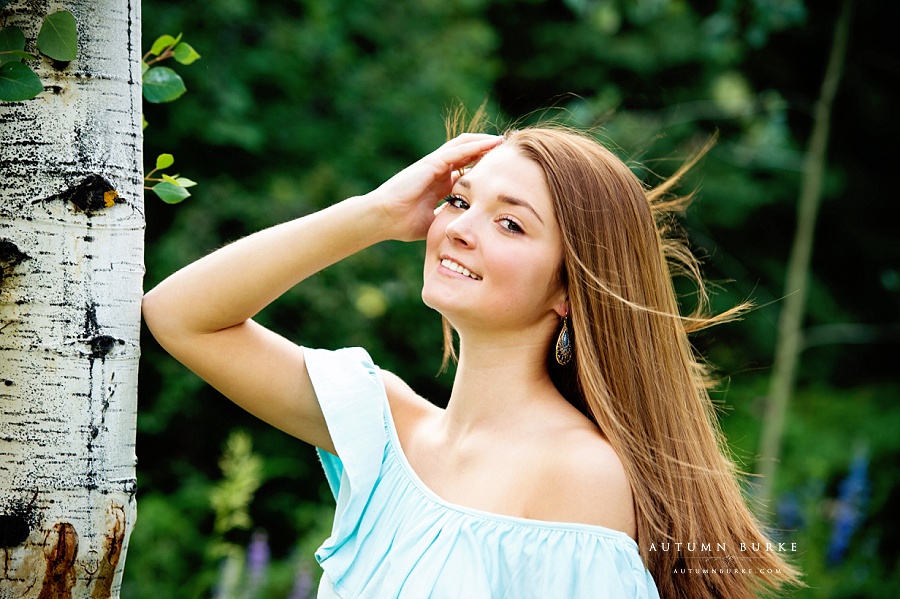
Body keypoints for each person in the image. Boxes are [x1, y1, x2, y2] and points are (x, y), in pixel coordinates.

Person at [142, 125, 801, 598]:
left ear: (571, 288)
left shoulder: (577, 475)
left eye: (510, 223)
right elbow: (179, 315)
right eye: (459, 201)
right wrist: (375, 213)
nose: (458, 227)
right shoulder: (385, 428)